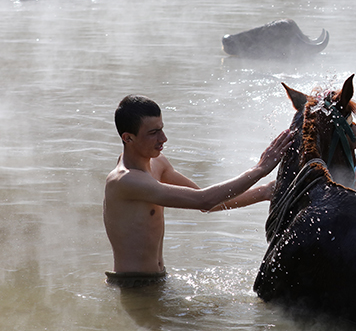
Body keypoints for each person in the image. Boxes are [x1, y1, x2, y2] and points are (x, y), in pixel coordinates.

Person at [103, 94, 295, 286]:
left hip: (158, 280)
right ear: (128, 138)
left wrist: (264, 192)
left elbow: (210, 203)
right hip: (132, 286)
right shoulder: (125, 180)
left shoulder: (158, 163)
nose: (164, 138)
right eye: (153, 133)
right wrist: (260, 169)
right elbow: (203, 199)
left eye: (162, 129)